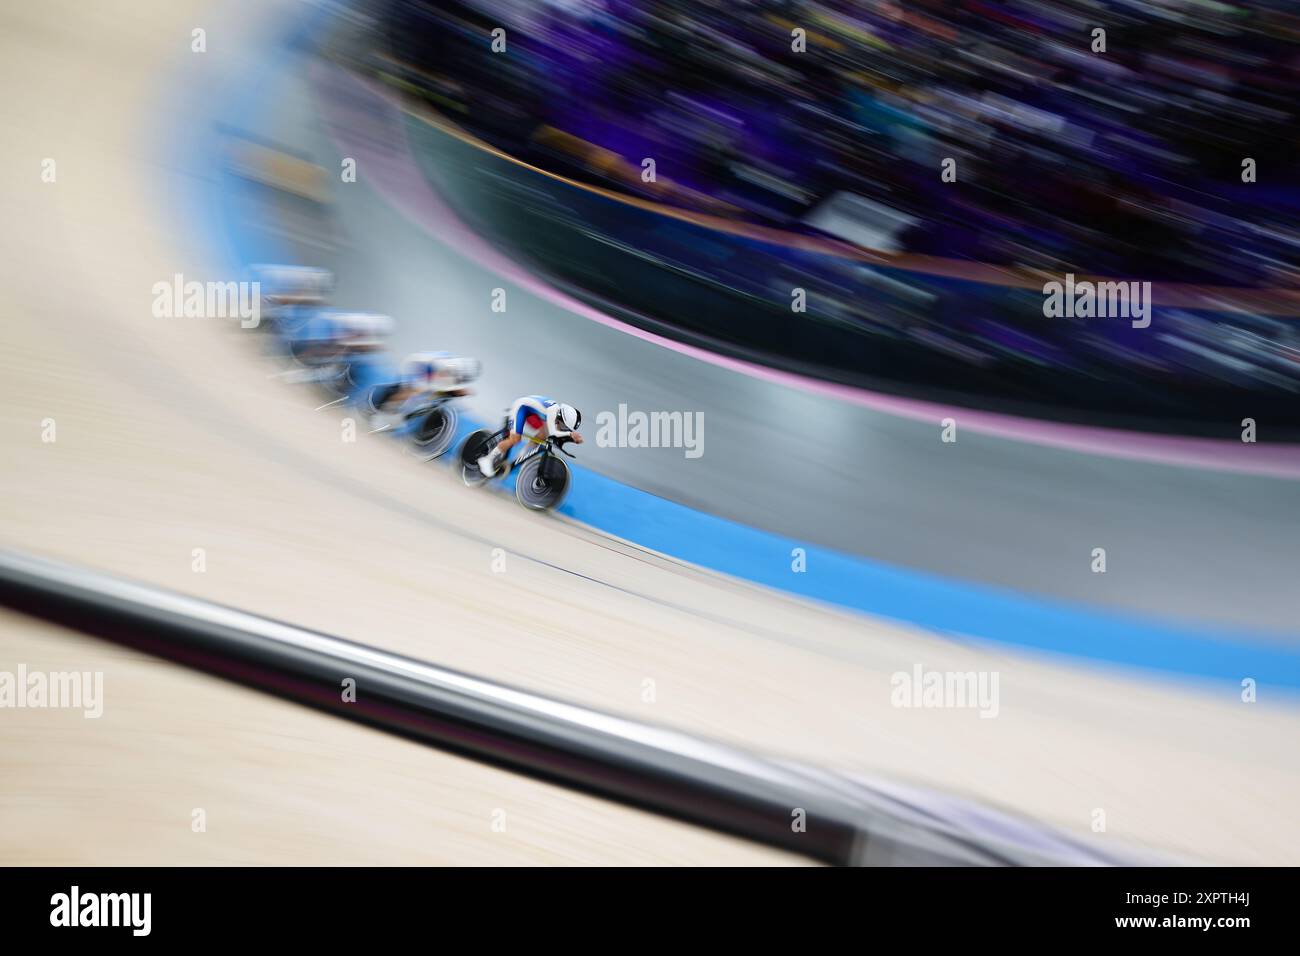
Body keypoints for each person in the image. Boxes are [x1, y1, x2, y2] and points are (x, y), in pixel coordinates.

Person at [369, 350, 480, 429]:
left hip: (429, 375)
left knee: (429, 394)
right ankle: (384, 413)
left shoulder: (457, 373)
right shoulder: (447, 365)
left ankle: (400, 416)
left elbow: (446, 385)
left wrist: (458, 391)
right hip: (416, 366)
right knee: (413, 391)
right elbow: (433, 381)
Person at [478, 395, 582, 477]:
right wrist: (570, 434)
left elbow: (553, 433)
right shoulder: (552, 412)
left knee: (542, 436)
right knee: (515, 439)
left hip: (533, 412)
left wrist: (570, 436)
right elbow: (554, 432)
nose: (563, 429)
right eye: (564, 426)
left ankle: (519, 457)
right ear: (561, 417)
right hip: (521, 408)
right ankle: (487, 460)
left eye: (566, 428)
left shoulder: (557, 414)